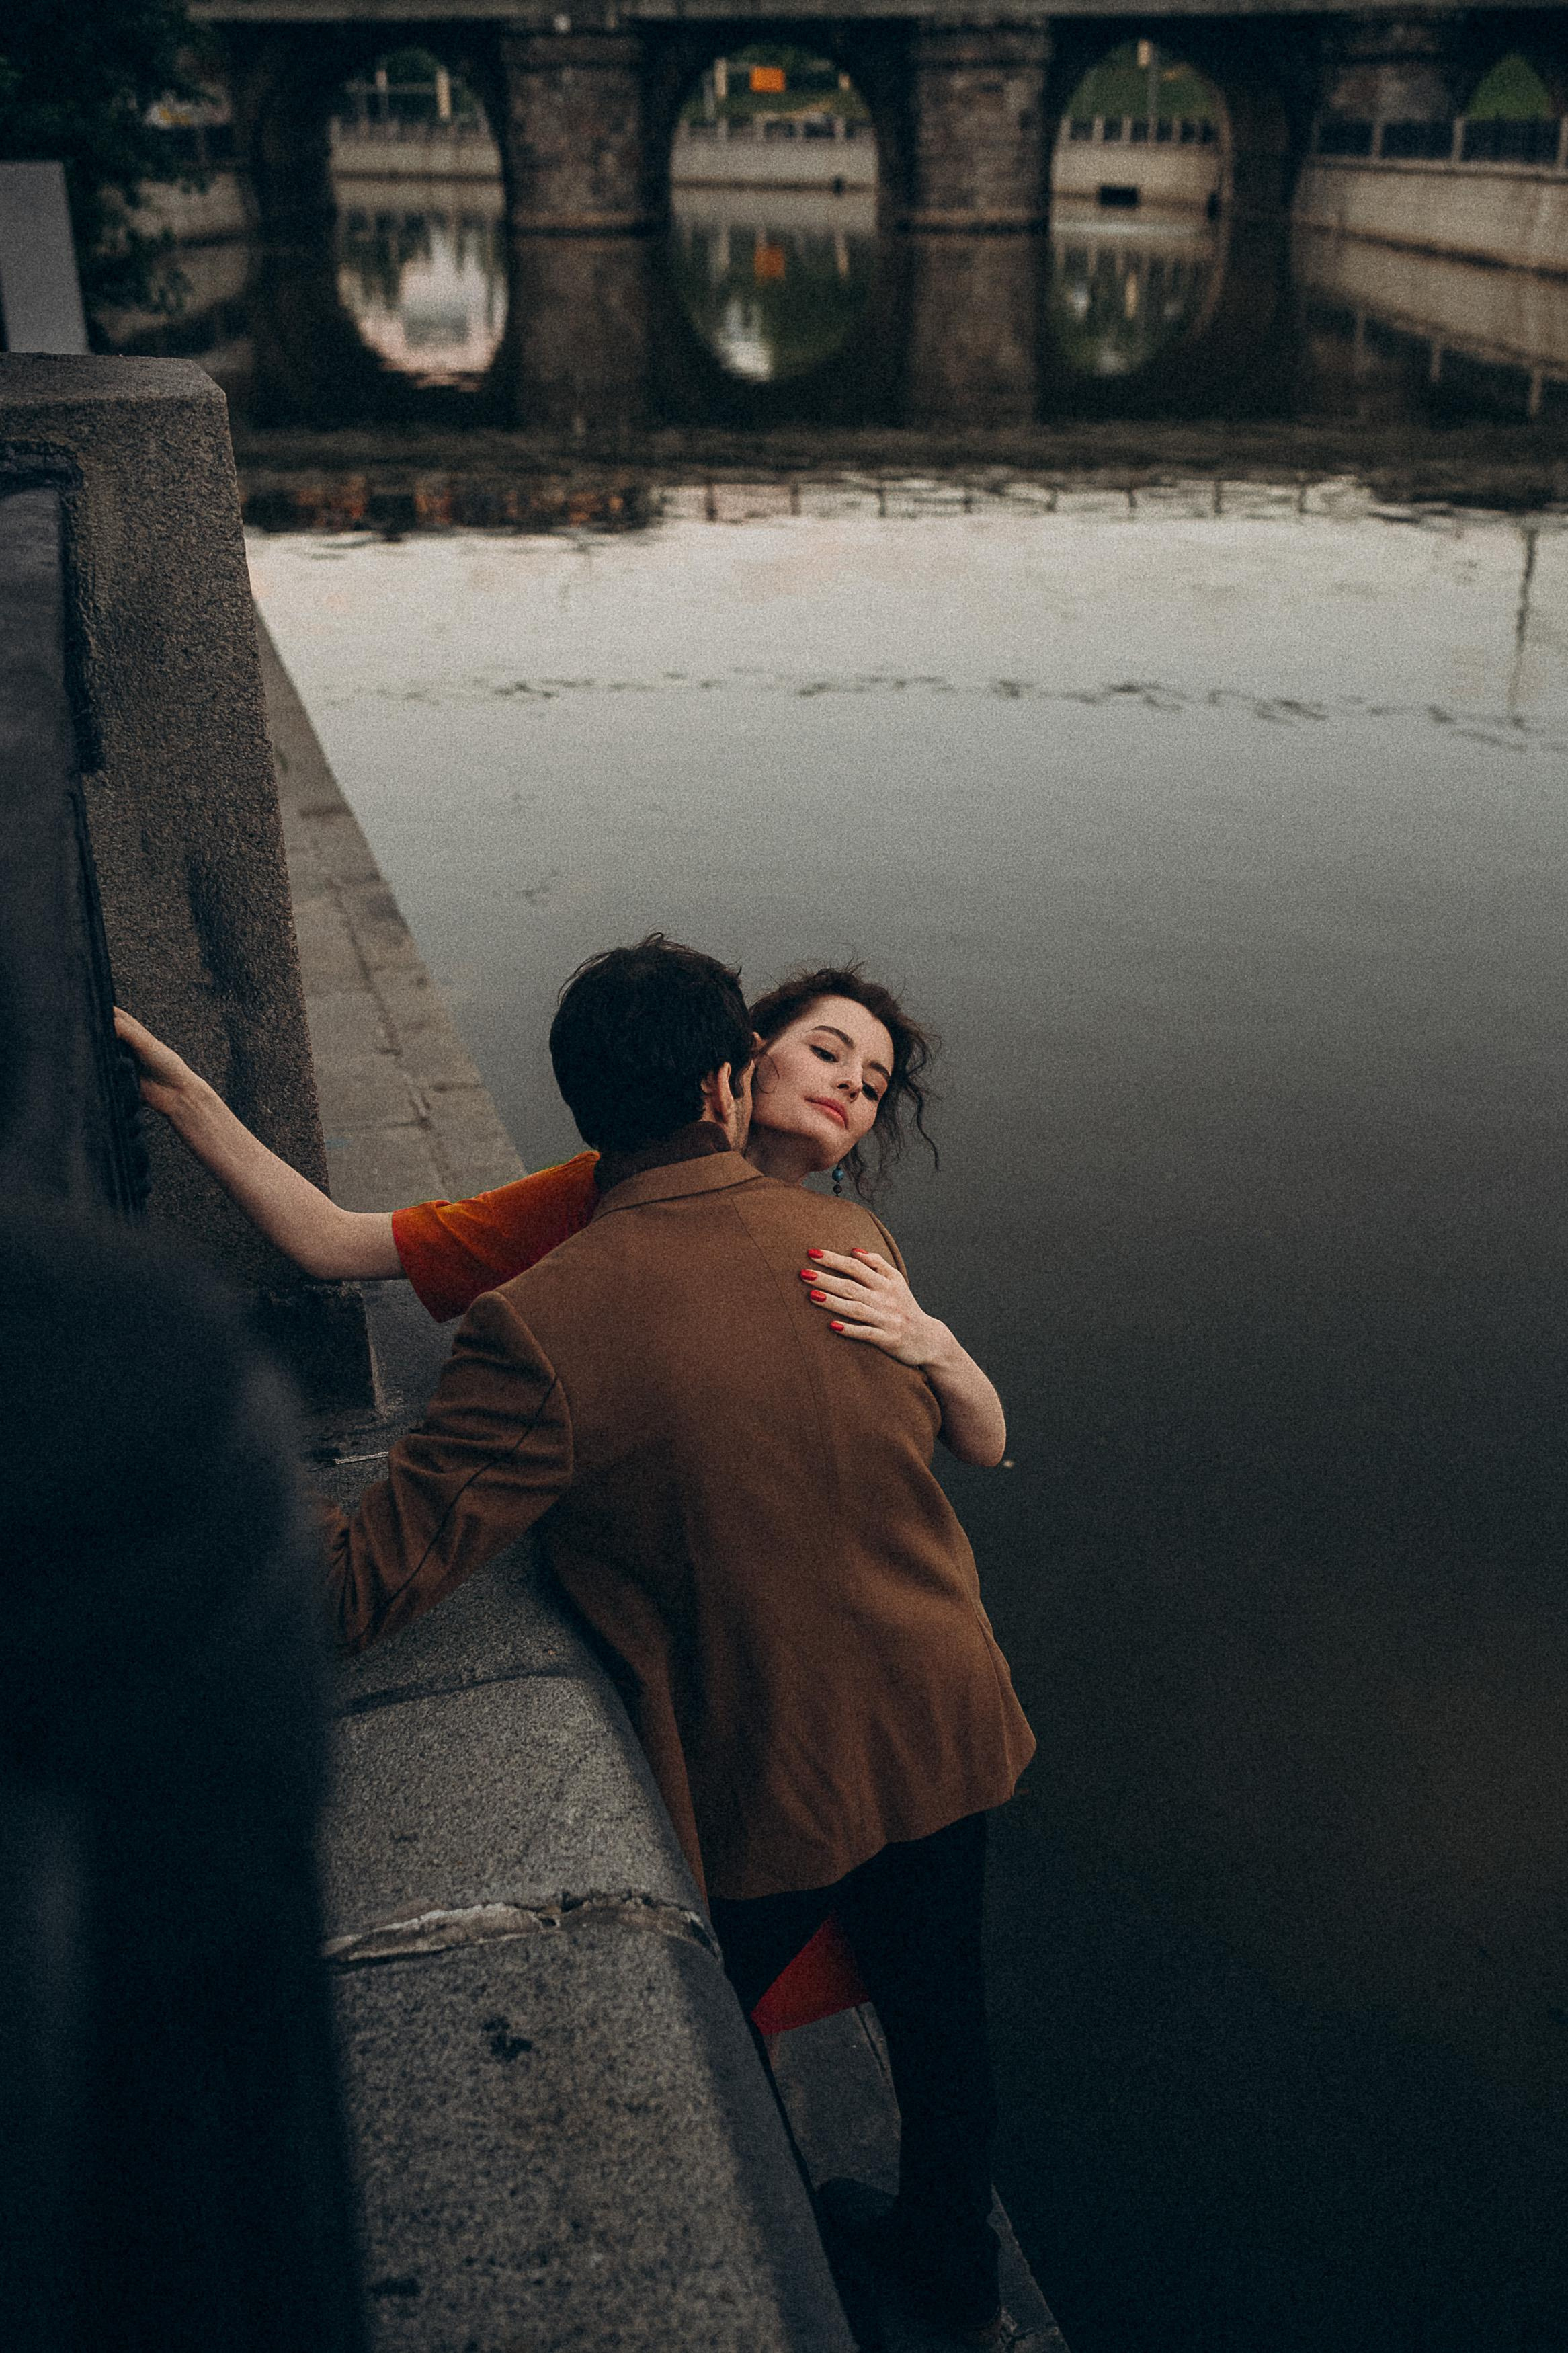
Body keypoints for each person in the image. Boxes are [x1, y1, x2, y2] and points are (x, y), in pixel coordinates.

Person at [321, 938, 1033, 2341]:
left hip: (782, 1754)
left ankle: (746, 2261)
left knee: (712, 2004)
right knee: (944, 2018)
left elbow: (368, 1582)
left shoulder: (545, 1319)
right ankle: (946, 2263)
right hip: (947, 1705)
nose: (850, 1089)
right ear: (729, 1082)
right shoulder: (850, 1240)